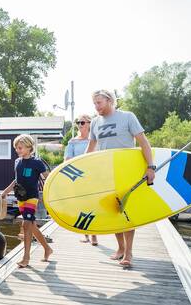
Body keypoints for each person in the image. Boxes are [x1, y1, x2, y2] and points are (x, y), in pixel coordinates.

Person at [85, 90, 155, 268]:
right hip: (105, 172)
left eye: (99, 103)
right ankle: (121, 247)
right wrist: (83, 170)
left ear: (109, 101)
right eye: (94, 104)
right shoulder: (94, 122)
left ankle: (129, 252)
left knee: (126, 212)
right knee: (113, 210)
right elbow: (91, 147)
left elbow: (143, 142)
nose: (96, 107)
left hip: (126, 171)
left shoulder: (127, 117)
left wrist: (150, 166)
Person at [1, 134, 53, 268]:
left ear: (29, 147)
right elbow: (16, 180)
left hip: (32, 197)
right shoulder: (17, 162)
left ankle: (26, 257)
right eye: (16, 148)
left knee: (25, 224)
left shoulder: (37, 163)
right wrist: (6, 191)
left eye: (20, 148)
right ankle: (47, 248)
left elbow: (48, 177)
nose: (17, 151)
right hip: (21, 197)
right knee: (31, 225)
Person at [65, 114, 97, 246]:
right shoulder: (73, 142)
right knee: (82, 207)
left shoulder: (95, 140)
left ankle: (95, 235)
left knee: (94, 206)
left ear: (90, 124)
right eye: (78, 122)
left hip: (94, 178)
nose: (80, 125)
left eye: (83, 122)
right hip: (78, 179)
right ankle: (86, 235)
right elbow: (67, 160)